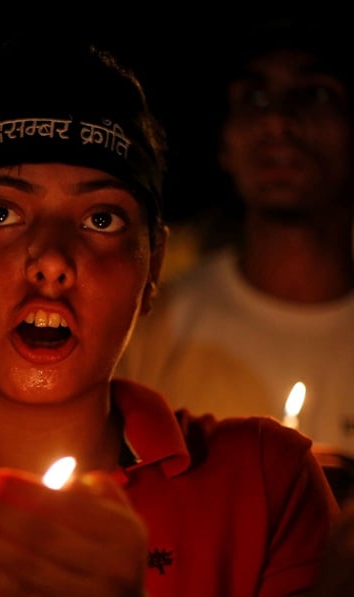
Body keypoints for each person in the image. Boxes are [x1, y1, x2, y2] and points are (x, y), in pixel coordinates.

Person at [0, 37, 339, 597]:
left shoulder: (264, 485)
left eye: (101, 219)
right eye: (0, 213)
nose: (51, 261)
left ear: (152, 272)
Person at [115, 16, 354, 503]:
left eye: (315, 94)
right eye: (254, 99)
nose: (278, 122)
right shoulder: (153, 327)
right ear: (224, 143)